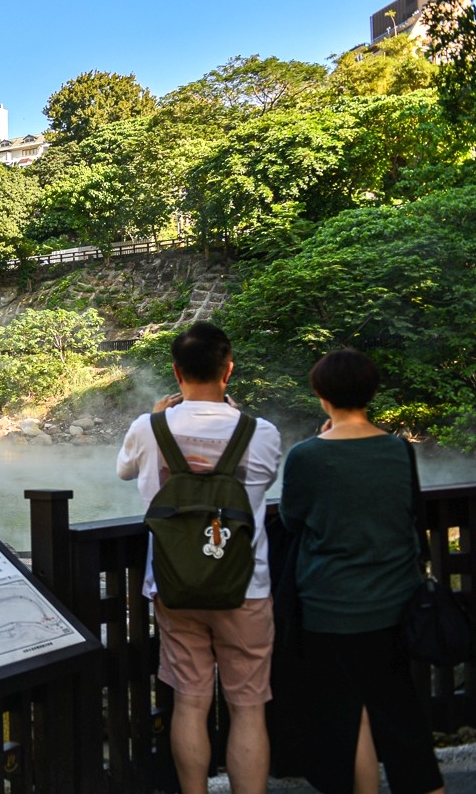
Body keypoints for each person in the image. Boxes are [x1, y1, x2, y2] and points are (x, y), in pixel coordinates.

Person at [116, 322, 282, 794]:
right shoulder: (260, 432)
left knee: (190, 702)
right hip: (246, 586)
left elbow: (124, 471)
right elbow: (263, 480)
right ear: (228, 370)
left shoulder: (148, 428)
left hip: (174, 585)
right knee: (247, 707)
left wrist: (154, 418)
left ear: (176, 371)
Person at [279, 349, 444, 794]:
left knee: (344, 718)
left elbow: (292, 519)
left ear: (320, 395)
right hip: (395, 603)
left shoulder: (306, 456)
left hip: (329, 608)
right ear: (372, 392)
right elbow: (409, 511)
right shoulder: (396, 449)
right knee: (402, 715)